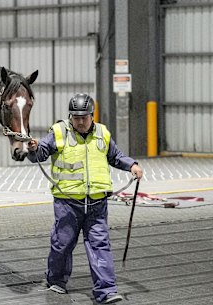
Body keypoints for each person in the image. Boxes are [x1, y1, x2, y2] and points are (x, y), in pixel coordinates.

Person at [26, 93, 143, 304]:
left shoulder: (103, 134)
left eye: (84, 117)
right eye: (76, 117)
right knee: (62, 244)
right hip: (68, 203)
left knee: (100, 245)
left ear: (92, 115)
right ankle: (55, 279)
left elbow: (115, 156)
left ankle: (106, 291)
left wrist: (132, 165)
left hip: (97, 202)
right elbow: (40, 154)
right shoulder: (59, 132)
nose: (80, 121)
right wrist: (33, 148)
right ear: (70, 116)